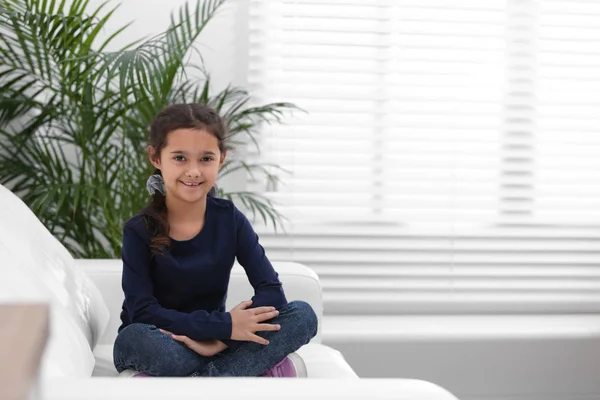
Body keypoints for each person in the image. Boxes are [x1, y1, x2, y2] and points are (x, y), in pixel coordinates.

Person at [112, 103, 318, 377]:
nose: (194, 171)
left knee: (303, 315)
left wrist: (221, 339)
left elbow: (271, 292)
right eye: (180, 158)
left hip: (215, 340)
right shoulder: (138, 230)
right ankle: (236, 374)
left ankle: (207, 380)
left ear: (221, 159)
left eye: (206, 159)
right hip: (161, 341)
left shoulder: (230, 219)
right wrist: (224, 326)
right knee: (137, 338)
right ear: (156, 158)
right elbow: (143, 312)